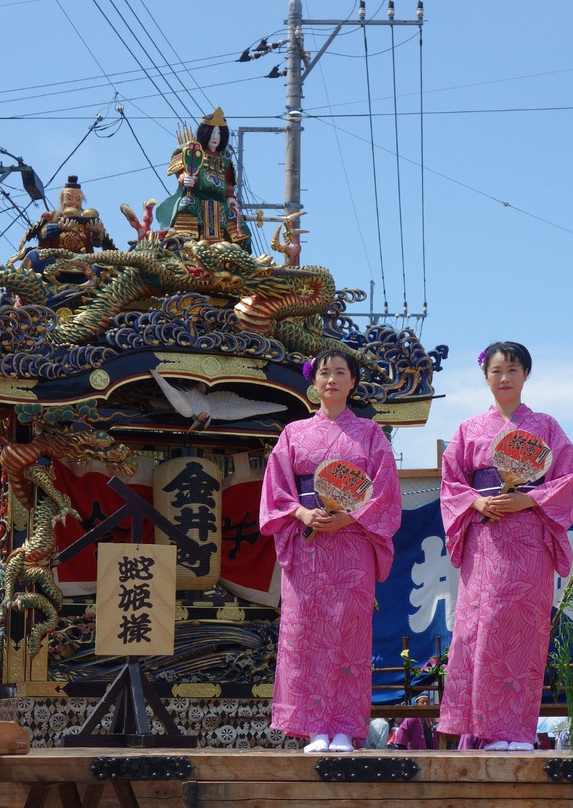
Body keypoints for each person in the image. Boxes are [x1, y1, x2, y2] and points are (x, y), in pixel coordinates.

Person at [437, 341, 573, 752]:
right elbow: (452, 484)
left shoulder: (548, 427)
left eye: (513, 369)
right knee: (480, 634)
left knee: (522, 633)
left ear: (526, 375)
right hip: (485, 541)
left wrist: (529, 498)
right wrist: (477, 500)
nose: (505, 378)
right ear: (486, 376)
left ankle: (516, 731)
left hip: (529, 542)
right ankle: (482, 731)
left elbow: (567, 478)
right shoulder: (468, 430)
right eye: (497, 370)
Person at [258, 349, 401, 754]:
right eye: (325, 373)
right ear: (314, 381)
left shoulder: (371, 434)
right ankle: (314, 728)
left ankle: (345, 728)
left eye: (341, 373)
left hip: (352, 546)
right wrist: (303, 512)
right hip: (309, 547)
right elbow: (276, 492)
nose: (332, 379)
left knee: (350, 637)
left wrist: (350, 519)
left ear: (353, 382)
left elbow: (387, 493)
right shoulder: (294, 434)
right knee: (305, 635)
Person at [155, 107, 252, 252]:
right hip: (196, 198)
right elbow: (182, 173)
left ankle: (235, 251)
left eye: (219, 133)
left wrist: (231, 197)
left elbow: (228, 183)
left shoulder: (225, 158)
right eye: (212, 132)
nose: (215, 137)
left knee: (235, 220)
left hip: (220, 203)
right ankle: (184, 246)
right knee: (186, 205)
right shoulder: (192, 150)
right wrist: (185, 178)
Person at [18, 175, 115, 267]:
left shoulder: (87, 221)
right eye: (69, 198)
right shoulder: (52, 217)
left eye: (78, 199)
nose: (74, 202)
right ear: (62, 199)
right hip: (54, 262)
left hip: (84, 264)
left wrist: (96, 233)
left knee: (103, 266)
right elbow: (42, 234)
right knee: (35, 257)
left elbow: (97, 244)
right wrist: (59, 227)